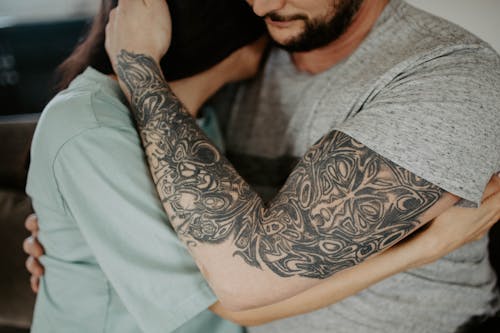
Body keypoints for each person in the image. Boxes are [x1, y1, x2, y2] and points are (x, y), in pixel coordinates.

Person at [24, 0, 500, 332]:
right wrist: (72, 235)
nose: (260, 5)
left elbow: (243, 280)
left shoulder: (449, 77)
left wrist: (139, 63)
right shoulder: (240, 74)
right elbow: (227, 283)